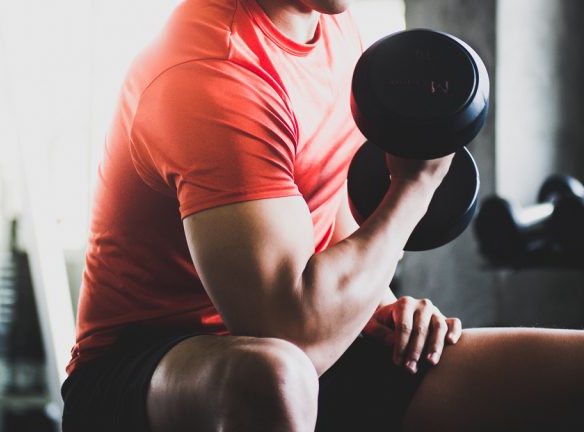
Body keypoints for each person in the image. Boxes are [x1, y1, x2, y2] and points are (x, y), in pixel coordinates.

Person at [61, 0, 584, 431]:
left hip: (298, 338)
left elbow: (328, 208)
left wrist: (378, 304)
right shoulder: (211, 71)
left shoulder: (333, 26)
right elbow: (293, 337)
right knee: (276, 377)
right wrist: (415, 187)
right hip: (146, 367)